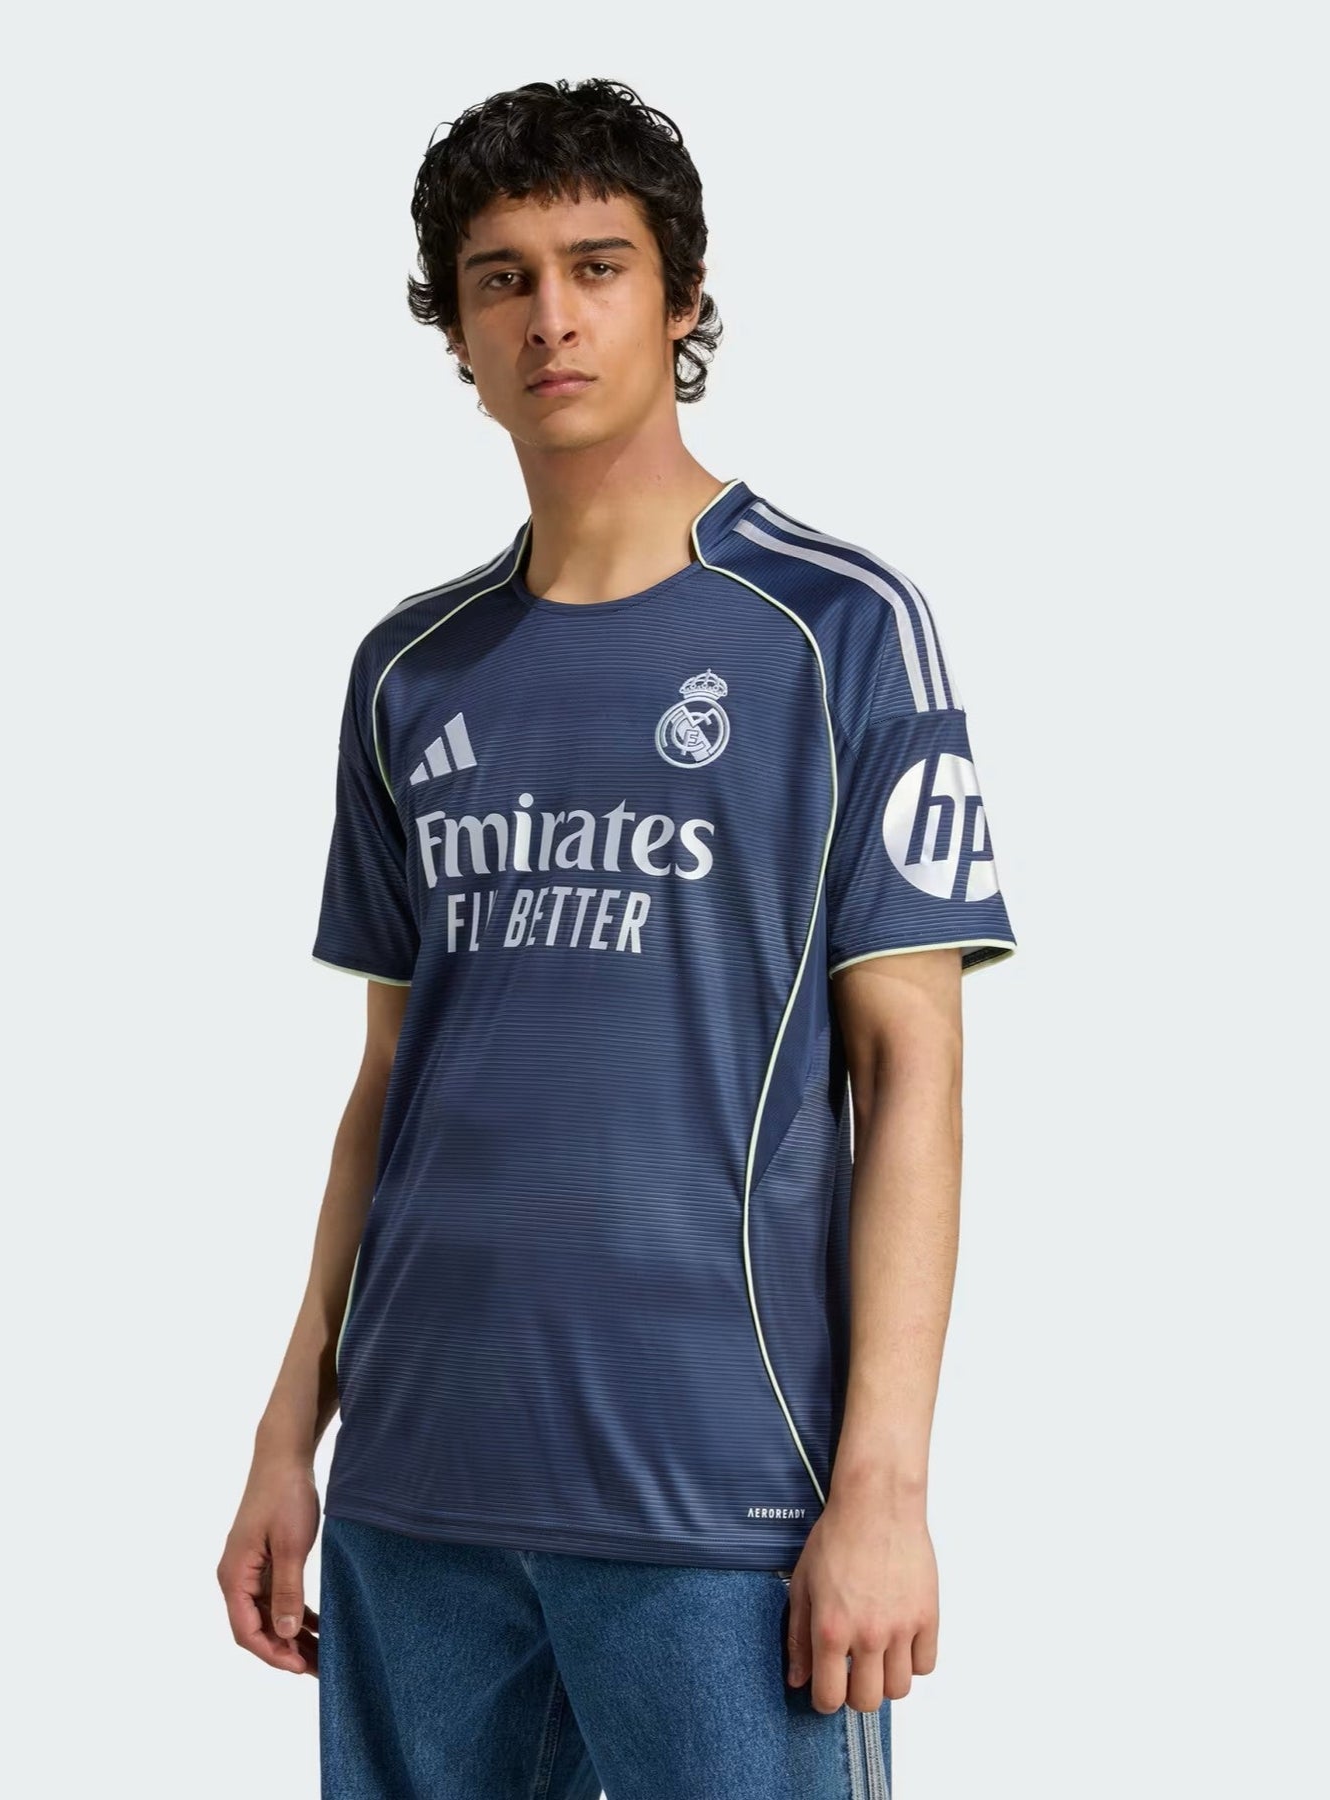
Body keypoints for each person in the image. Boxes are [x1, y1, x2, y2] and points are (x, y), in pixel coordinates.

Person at [217, 75, 1017, 1800]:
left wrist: (885, 1482)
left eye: (597, 266)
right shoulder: (409, 668)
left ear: (683, 295)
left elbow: (912, 1070)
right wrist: (292, 1431)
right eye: (501, 279)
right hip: (416, 1494)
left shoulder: (838, 629)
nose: (551, 317)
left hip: (720, 1502)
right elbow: (386, 1090)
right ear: (455, 328)